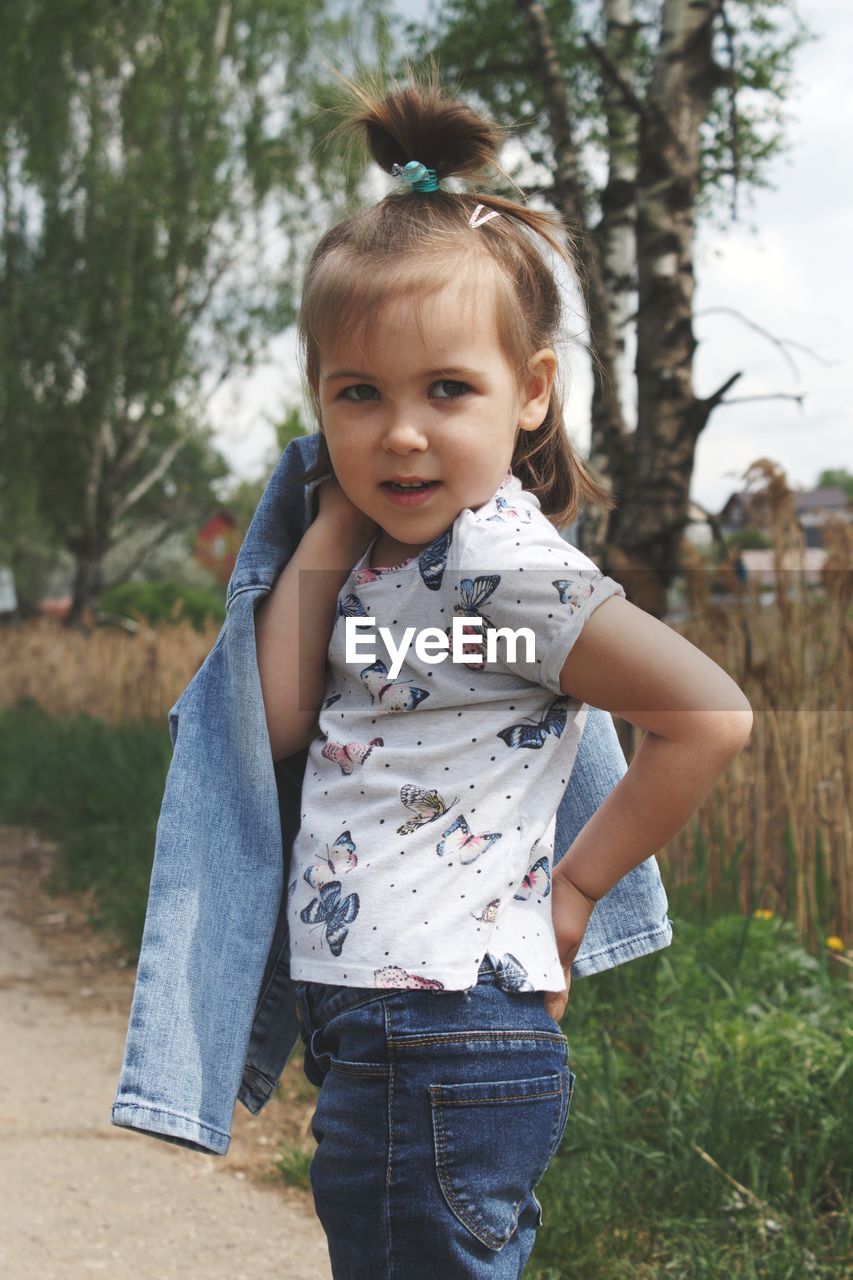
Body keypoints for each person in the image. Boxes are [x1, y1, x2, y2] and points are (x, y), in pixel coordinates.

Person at [252, 70, 753, 1279]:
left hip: (445, 1025)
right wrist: (325, 528)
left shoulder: (499, 564)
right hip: (385, 1020)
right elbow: (272, 718)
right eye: (357, 394)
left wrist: (574, 890)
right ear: (319, 401)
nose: (401, 433)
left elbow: (708, 715)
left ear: (529, 391)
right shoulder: (375, 557)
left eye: (448, 390)